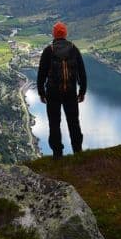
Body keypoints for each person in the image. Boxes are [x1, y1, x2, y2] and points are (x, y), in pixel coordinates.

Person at [36, 21, 87, 160]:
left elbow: (41, 74)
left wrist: (41, 92)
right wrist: (82, 91)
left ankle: (57, 154)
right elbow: (82, 72)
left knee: (54, 123)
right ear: (65, 33)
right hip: (70, 92)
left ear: (54, 33)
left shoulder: (48, 50)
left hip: (53, 93)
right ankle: (78, 151)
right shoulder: (73, 48)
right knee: (73, 122)